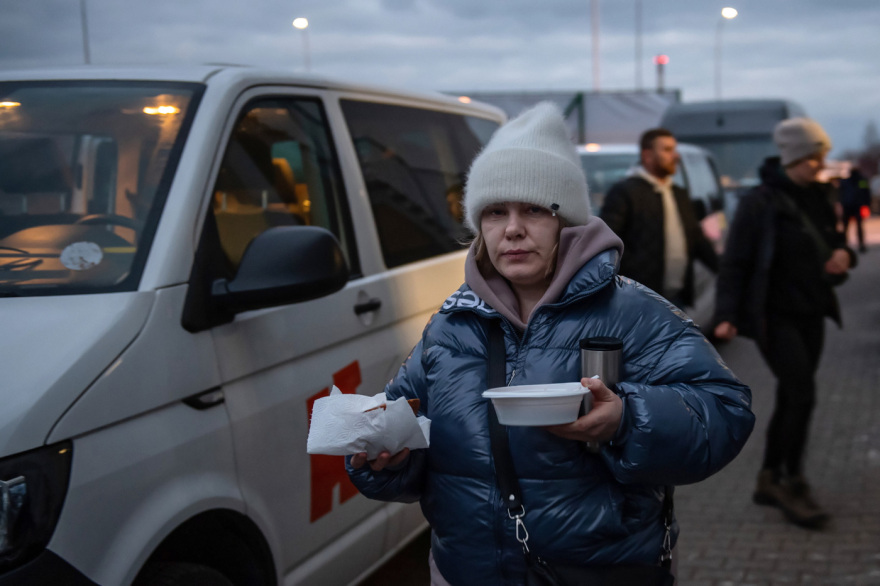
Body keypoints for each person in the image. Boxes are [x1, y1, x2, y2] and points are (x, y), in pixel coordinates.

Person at [346, 102, 755, 585]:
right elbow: (411, 446)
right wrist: (386, 460)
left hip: (600, 574)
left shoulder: (634, 312)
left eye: (534, 209)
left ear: (567, 222)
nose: (512, 229)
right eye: (495, 212)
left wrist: (626, 419)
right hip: (468, 574)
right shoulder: (450, 327)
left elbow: (726, 411)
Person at [713, 117, 856, 530]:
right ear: (793, 157)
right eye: (814, 157)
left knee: (795, 395)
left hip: (813, 311)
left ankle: (771, 476)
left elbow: (836, 242)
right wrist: (725, 315)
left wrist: (845, 256)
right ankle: (790, 480)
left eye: (822, 156)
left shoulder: (820, 195)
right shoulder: (759, 203)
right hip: (773, 316)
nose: (820, 164)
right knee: (801, 392)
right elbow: (735, 263)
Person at [599, 128, 718, 310]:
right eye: (667, 150)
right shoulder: (625, 193)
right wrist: (633, 279)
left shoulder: (679, 194)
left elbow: (696, 240)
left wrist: (726, 271)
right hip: (640, 299)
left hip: (676, 298)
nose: (675, 156)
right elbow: (608, 242)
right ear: (647, 156)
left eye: (674, 150)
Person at [839, 166, 871, 253]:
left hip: (849, 205)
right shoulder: (861, 181)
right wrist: (867, 204)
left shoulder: (846, 181)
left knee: (847, 226)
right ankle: (859, 244)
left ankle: (845, 244)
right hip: (855, 205)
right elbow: (866, 193)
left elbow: (841, 194)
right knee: (857, 226)